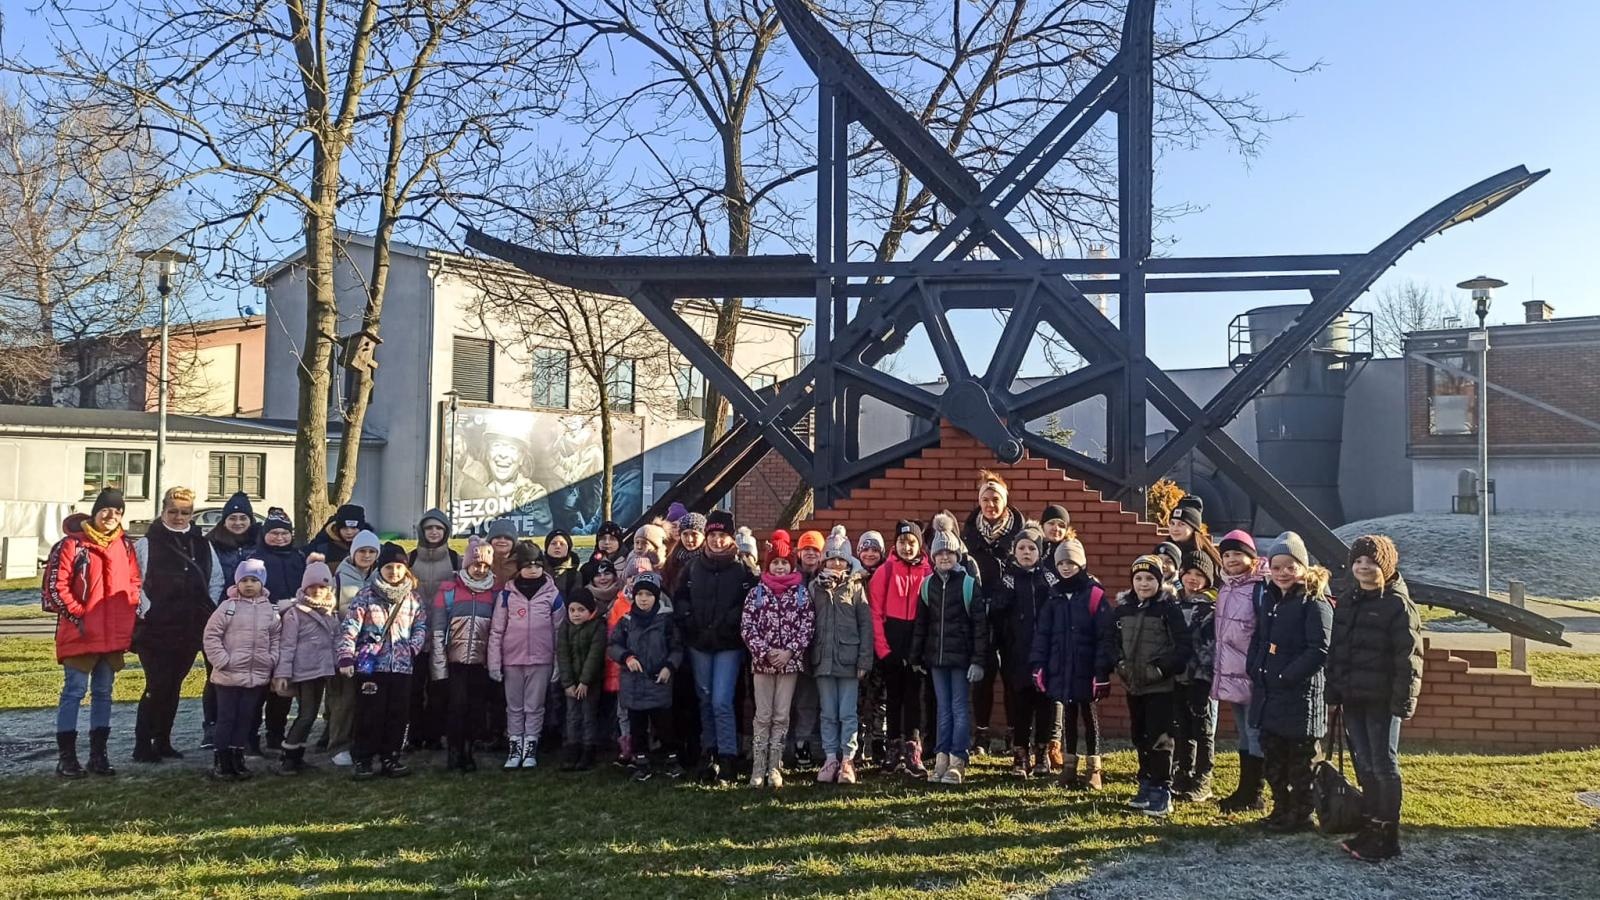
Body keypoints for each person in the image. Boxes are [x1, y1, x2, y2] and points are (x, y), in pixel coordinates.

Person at [1327, 534, 1422, 862]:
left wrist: (1404, 701)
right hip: (1354, 696)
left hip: (1382, 699)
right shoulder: (1349, 599)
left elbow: (1408, 658)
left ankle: (1387, 834)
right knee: (1365, 764)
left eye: (1370, 562)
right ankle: (1370, 824)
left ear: (1386, 565)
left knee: (1384, 765)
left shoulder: (1397, 604)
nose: (1363, 568)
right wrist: (1334, 688)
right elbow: (1337, 649)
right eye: (1358, 562)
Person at [44, 488, 141, 778]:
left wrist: (131, 608)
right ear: (96, 511)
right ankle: (67, 757)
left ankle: (99, 755)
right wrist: (79, 615)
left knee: (103, 693)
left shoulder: (125, 546)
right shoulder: (71, 546)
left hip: (112, 636)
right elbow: (55, 588)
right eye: (106, 510)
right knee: (73, 692)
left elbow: (134, 582)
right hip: (81, 633)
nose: (112, 516)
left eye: (118, 512)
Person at [1248, 532, 1333, 833]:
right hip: (1269, 693)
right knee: (1274, 758)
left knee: (1300, 763)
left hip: (1299, 698)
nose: (1283, 573)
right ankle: (1280, 808)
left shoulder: (1315, 603)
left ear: (1303, 567)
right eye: (1277, 566)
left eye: (1290, 566)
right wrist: (1255, 667)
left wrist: (1287, 676)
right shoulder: (1270, 599)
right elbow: (1260, 638)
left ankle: (1300, 815)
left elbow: (1319, 649)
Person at [132, 486, 222, 762]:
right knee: (156, 685)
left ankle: (163, 740)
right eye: (173, 512)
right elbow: (136, 582)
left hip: (189, 627)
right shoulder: (147, 544)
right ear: (163, 511)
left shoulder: (203, 543)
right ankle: (142, 743)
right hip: (156, 628)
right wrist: (148, 610)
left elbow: (215, 579)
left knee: (175, 685)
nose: (179, 517)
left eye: (185, 512)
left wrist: (207, 608)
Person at [337, 542, 428, 779]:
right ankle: (364, 758)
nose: (394, 572)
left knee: (397, 713)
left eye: (399, 567)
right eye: (389, 567)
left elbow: (420, 626)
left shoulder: (413, 598)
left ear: (406, 570)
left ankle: (391, 756)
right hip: (371, 665)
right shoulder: (366, 595)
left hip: (401, 666)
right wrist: (346, 656)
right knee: (370, 713)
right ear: (381, 568)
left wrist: (412, 648)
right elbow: (350, 627)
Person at [677, 510, 755, 784]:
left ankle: (728, 755)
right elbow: (680, 597)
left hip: (728, 644)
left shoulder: (743, 567)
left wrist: (729, 623)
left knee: (722, 700)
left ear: (731, 537)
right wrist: (690, 619)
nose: (717, 541)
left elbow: (750, 602)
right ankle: (708, 753)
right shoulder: (693, 566)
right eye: (713, 535)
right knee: (705, 699)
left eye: (723, 535)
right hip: (699, 642)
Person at [1110, 555, 1191, 818]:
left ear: (1160, 580)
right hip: (1134, 685)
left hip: (1160, 686)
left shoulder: (1168, 608)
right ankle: (1145, 783)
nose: (1144, 584)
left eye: (1150, 578)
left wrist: (1160, 669)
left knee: (1160, 738)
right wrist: (1119, 663)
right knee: (1140, 736)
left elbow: (1182, 647)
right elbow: (1111, 641)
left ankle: (1162, 789)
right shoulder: (1123, 609)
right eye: (1139, 578)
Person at [1029, 538, 1111, 790]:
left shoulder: (1094, 595)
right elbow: (1043, 634)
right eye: (1061, 562)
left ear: (1081, 563)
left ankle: (1093, 768)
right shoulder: (1054, 597)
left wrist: (1102, 672)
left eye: (1071, 562)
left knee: (1089, 717)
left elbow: (1105, 636)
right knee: (1069, 718)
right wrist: (1039, 665)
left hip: (1086, 670)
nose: (1065, 567)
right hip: (1061, 668)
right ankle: (1069, 767)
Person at [911, 530, 988, 785]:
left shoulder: (968, 585)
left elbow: (980, 626)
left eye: (949, 552)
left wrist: (978, 661)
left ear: (957, 555)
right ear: (933, 556)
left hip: (962, 660)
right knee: (943, 710)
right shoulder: (927, 585)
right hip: (936, 659)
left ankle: (958, 759)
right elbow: (921, 625)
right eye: (939, 552)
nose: (944, 556)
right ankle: (941, 757)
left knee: (959, 708)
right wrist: (916, 656)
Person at [740, 530, 813, 788]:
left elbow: (807, 627)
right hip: (763, 664)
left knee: (782, 715)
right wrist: (764, 652)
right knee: (763, 714)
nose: (780, 567)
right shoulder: (757, 594)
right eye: (775, 563)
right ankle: (758, 768)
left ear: (791, 564)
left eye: (784, 562)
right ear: (767, 565)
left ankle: (775, 766)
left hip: (789, 663)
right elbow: (747, 627)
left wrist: (790, 651)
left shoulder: (801, 595)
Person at [202, 559, 281, 780]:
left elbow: (275, 636)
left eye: (254, 580)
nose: (248, 585)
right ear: (237, 583)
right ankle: (222, 759)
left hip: (256, 675)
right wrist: (222, 660)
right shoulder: (228, 607)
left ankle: (238, 755)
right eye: (244, 580)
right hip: (228, 675)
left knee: (246, 717)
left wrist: (271, 658)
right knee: (226, 718)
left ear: (262, 583)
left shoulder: (270, 610)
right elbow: (211, 636)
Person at [991, 524, 1059, 779]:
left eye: (1032, 548)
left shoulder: (1048, 578)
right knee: (1020, 705)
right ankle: (1020, 754)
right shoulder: (1007, 579)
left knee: (1044, 705)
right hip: (1016, 655)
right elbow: (996, 614)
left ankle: (1042, 753)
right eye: (1022, 548)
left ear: (1039, 552)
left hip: (1044, 654)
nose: (1027, 552)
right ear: (1014, 551)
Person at [961, 471, 1021, 756]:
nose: (990, 504)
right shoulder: (968, 533)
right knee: (982, 677)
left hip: (1010, 615)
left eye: (995, 499)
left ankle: (1013, 734)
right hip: (979, 615)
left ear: (1005, 502)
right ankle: (981, 735)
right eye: (985, 499)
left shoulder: (1020, 533)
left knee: (1011, 676)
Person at [489, 540, 562, 770]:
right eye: (528, 565)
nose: (533, 570)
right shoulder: (507, 596)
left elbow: (560, 631)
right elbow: (496, 631)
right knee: (514, 706)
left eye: (537, 565)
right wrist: (494, 663)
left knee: (535, 705)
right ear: (519, 568)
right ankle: (515, 744)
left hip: (541, 659)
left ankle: (531, 744)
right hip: (513, 659)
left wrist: (558, 663)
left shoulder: (553, 595)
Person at [810, 527, 873, 785]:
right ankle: (829, 758)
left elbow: (866, 626)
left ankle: (847, 758)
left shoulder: (856, 587)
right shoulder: (814, 587)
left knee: (847, 712)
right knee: (827, 712)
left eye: (841, 559)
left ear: (848, 561)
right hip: (822, 661)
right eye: (831, 558)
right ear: (824, 561)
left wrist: (864, 660)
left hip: (848, 661)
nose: (836, 563)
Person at [868, 520, 931, 778]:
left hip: (916, 646)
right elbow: (875, 612)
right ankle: (893, 751)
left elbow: (931, 615)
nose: (907, 547)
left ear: (919, 545)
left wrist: (922, 650)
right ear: (896, 544)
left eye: (912, 542)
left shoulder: (928, 572)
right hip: (892, 646)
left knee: (914, 700)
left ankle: (913, 751)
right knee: (893, 699)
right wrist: (883, 650)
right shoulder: (885, 571)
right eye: (903, 542)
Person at [430, 535, 498, 773]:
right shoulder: (448, 591)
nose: (480, 569)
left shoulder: (494, 594)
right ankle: (454, 750)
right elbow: (438, 631)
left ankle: (469, 750)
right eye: (476, 564)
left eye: (485, 566)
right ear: (466, 564)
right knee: (456, 707)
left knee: (476, 708)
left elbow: (496, 632)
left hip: (480, 663)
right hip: (454, 662)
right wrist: (439, 668)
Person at [610, 572, 684, 782]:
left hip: (659, 680)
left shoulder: (666, 620)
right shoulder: (626, 621)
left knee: (665, 725)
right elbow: (613, 645)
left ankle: (672, 759)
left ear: (656, 597)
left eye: (648, 595)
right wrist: (626, 657)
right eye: (640, 594)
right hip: (633, 683)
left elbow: (676, 648)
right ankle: (641, 761)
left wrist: (669, 667)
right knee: (637, 727)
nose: (643, 598)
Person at [1213, 529, 1268, 813]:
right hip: (1232, 673)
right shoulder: (1226, 587)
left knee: (1255, 732)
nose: (1232, 559)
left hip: (1253, 673)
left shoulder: (1260, 588)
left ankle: (1255, 792)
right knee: (1244, 734)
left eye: (1238, 554)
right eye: (1227, 554)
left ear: (1251, 557)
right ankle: (1244, 789)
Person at [272, 558, 339, 776]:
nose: (318, 591)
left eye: (322, 586)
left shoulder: (330, 611)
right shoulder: (295, 613)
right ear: (304, 587)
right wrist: (282, 673)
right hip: (304, 671)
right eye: (313, 586)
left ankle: (297, 755)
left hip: (322, 669)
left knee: (309, 713)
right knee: (307, 714)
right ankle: (288, 757)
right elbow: (287, 645)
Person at [323, 529, 379, 766]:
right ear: (353, 552)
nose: (366, 556)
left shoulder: (381, 576)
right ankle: (338, 745)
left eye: (371, 551)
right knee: (342, 699)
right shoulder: (338, 576)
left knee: (366, 698)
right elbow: (329, 610)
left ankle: (362, 742)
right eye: (362, 551)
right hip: (344, 644)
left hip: (372, 648)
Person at [252, 510, 305, 753]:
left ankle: (276, 733)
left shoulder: (298, 557)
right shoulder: (256, 559)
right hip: (262, 628)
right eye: (274, 533)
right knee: (258, 687)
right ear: (265, 535)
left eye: (284, 533)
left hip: (293, 627)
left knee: (283, 685)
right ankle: (250, 736)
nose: (280, 538)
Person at [409, 508, 460, 752]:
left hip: (444, 633)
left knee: (439, 687)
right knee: (414, 687)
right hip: (413, 633)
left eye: (439, 528)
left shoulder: (454, 558)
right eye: (429, 528)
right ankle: (414, 734)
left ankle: (435, 734)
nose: (433, 532)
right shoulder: (410, 558)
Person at [1173, 551, 1219, 802]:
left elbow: (1211, 647)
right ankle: (1183, 771)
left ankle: (1204, 777)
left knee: (1203, 729)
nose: (1192, 578)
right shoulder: (1174, 603)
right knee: (1182, 726)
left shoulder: (1212, 607)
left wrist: (1204, 678)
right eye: (1188, 572)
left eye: (1199, 574)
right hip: (1179, 676)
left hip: (1203, 678)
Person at [557, 589, 609, 771]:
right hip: (571, 681)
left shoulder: (598, 627)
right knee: (572, 715)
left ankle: (588, 748)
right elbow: (562, 655)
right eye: (572, 610)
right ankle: (573, 746)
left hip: (590, 682)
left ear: (590, 610)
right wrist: (568, 683)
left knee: (588, 715)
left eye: (581, 610)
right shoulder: (565, 627)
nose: (576, 614)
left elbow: (595, 656)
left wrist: (585, 681)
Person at [854, 529, 888, 765]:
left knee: (880, 699)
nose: (870, 553)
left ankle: (879, 742)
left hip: (882, 645)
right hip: (857, 647)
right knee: (857, 698)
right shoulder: (854, 577)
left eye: (875, 549)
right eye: (866, 549)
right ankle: (856, 745)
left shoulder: (887, 575)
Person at [305, 503, 371, 566]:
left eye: (353, 528)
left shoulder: (372, 547)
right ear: (337, 529)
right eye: (344, 528)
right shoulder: (321, 549)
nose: (349, 532)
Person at [663, 513, 706, 597]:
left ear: (704, 536)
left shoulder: (709, 560)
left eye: (694, 534)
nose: (689, 539)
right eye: (685, 534)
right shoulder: (673, 558)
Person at [545, 529, 582, 601]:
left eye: (562, 544)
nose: (557, 547)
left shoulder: (575, 575)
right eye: (553, 543)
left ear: (568, 548)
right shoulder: (538, 571)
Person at [485, 519, 521, 588]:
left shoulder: (522, 560)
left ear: (514, 542)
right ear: (490, 540)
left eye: (507, 538)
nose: (502, 541)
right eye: (498, 537)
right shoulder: (480, 560)